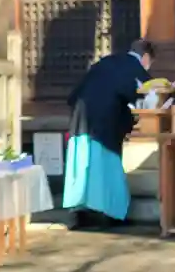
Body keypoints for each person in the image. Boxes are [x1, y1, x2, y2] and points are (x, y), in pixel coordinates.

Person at [62, 39, 155, 229]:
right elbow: (146, 98)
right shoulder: (135, 68)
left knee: (80, 166)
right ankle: (109, 213)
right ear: (145, 57)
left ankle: (79, 213)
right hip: (105, 122)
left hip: (80, 116)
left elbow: (75, 93)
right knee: (106, 166)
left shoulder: (105, 62)